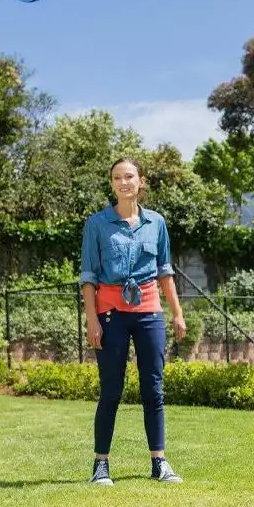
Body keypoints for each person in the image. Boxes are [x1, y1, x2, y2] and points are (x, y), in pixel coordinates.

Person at [81, 158, 187, 486]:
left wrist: (177, 313)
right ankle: (101, 465)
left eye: (129, 176)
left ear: (141, 181)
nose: (123, 182)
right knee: (111, 390)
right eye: (117, 177)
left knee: (153, 389)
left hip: (149, 311)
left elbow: (165, 271)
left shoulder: (156, 223)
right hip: (110, 313)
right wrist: (92, 321)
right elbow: (89, 277)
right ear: (112, 184)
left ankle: (159, 462)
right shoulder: (97, 224)